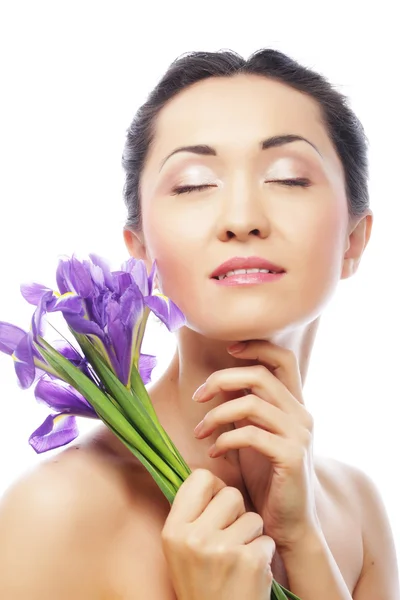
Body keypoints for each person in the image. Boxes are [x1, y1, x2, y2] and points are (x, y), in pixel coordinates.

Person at [0, 48, 398, 600]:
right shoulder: (57, 512)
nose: (241, 220)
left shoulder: (355, 508)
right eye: (192, 185)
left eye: (287, 178)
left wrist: (304, 543)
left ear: (354, 241)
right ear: (141, 256)